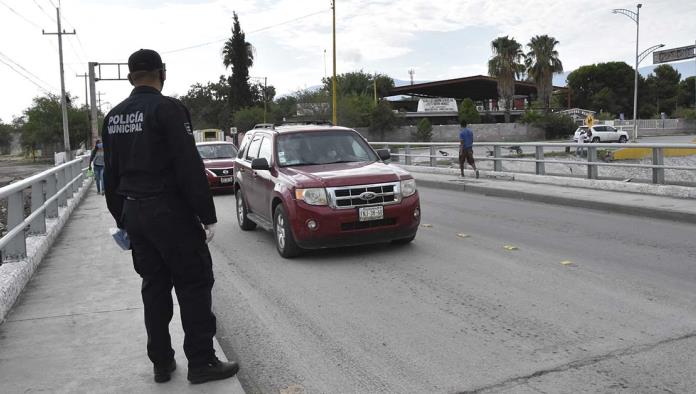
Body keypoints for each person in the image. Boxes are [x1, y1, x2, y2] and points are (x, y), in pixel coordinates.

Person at [102, 49, 238, 384]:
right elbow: (188, 165)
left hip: (134, 210)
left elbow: (110, 174)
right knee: (193, 285)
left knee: (154, 287)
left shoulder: (113, 117)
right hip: (170, 212)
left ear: (129, 76)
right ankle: (202, 362)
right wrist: (207, 215)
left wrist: (123, 219)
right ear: (163, 72)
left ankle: (162, 363)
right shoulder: (168, 109)